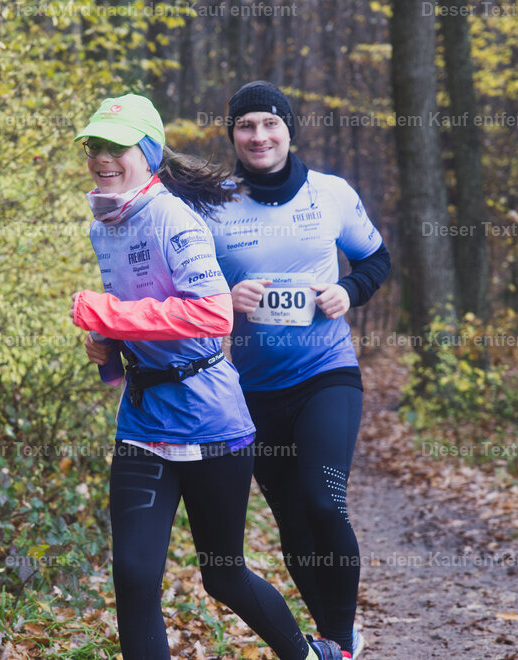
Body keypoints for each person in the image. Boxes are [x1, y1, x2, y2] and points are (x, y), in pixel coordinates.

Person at [70, 93, 343, 660]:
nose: (102, 157)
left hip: (211, 420)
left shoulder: (172, 215)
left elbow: (212, 313)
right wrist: (109, 348)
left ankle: (311, 655)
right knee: (134, 575)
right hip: (144, 422)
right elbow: (138, 309)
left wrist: (109, 315)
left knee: (223, 574)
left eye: (116, 147)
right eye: (95, 146)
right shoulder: (105, 223)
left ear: (146, 153)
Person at [208, 81, 391, 659]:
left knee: (321, 499)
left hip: (326, 373)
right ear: (233, 134)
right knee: (291, 522)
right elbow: (186, 285)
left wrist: (347, 290)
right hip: (254, 390)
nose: (258, 136)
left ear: (289, 128)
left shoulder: (330, 193)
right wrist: (225, 298)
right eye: (246, 126)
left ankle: (339, 640)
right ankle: (337, 639)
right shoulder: (211, 202)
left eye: (270, 123)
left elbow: (376, 258)